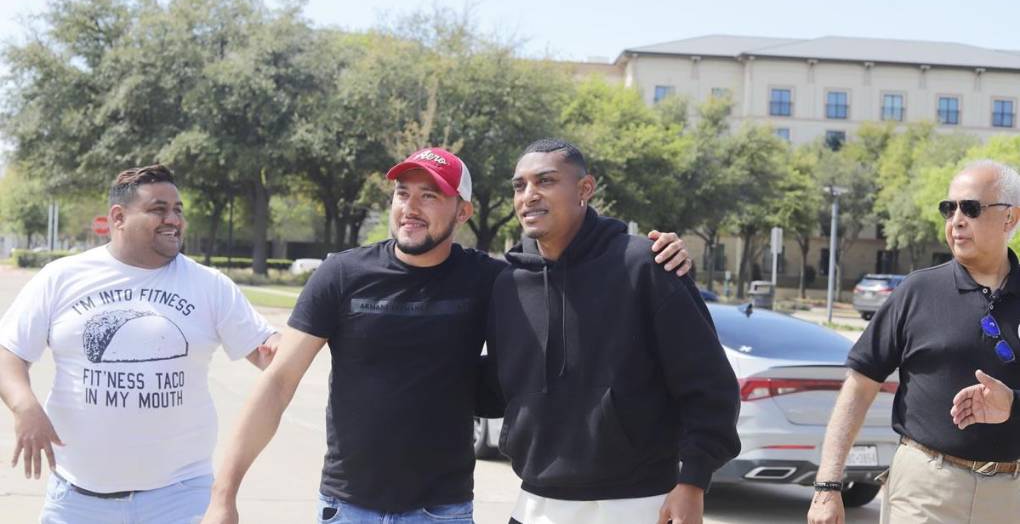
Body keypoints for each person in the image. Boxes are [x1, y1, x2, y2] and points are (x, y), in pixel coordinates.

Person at [200, 147, 690, 524]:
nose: (411, 208)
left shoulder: (491, 280)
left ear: (462, 211)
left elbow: (568, 283)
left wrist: (661, 252)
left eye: (430, 195)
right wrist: (225, 495)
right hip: (347, 506)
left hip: (442, 510)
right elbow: (278, 383)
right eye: (403, 194)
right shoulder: (341, 276)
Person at [0, 164, 279, 524]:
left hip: (181, 497)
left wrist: (284, 342)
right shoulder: (62, 277)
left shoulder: (209, 285)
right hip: (77, 499)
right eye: (158, 209)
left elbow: (266, 351)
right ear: (118, 217)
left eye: (178, 210)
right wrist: (24, 406)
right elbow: (9, 350)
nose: (173, 219)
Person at [485, 139, 741, 524]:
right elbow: (502, 387)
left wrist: (693, 481)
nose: (529, 196)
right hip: (534, 504)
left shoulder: (645, 265)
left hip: (637, 504)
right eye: (519, 186)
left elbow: (709, 384)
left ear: (585, 189)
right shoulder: (508, 284)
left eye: (546, 181)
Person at [807, 159, 1020, 524]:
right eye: (948, 208)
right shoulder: (916, 291)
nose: (956, 220)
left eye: (970, 208)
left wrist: (1012, 404)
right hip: (925, 490)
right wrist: (828, 484)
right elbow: (859, 387)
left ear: (1010, 219)